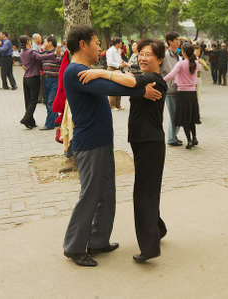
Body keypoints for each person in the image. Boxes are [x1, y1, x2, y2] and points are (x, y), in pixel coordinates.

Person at [61, 25, 162, 267]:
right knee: (90, 195)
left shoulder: (87, 69)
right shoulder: (76, 71)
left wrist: (109, 75)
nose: (100, 47)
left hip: (102, 142)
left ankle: (98, 240)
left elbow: (112, 83)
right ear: (83, 44)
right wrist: (141, 90)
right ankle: (74, 247)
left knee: (106, 194)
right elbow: (113, 88)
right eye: (96, 42)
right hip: (90, 143)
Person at [18, 35, 60, 129]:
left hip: (28, 78)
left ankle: (34, 122)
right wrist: (54, 54)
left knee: (30, 100)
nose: (42, 42)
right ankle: (27, 119)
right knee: (35, 100)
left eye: (44, 41)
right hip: (35, 78)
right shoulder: (32, 52)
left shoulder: (22, 52)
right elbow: (41, 57)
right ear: (28, 41)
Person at [164, 43, 201, 149]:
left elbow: (171, 75)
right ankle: (194, 138)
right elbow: (198, 72)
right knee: (192, 117)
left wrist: (160, 81)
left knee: (185, 118)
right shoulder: (196, 63)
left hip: (182, 94)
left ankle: (189, 141)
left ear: (184, 52)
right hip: (193, 94)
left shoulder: (181, 64)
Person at [161, 31, 183, 146]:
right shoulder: (166, 56)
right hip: (170, 90)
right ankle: (171, 138)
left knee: (178, 114)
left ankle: (173, 136)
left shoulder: (178, 56)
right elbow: (167, 73)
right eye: (177, 40)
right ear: (170, 42)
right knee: (174, 115)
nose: (179, 42)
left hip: (179, 88)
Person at [40, 35, 62, 130]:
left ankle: (49, 124)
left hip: (55, 80)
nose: (43, 43)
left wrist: (58, 53)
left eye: (44, 41)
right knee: (48, 101)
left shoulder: (57, 53)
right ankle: (56, 120)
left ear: (50, 43)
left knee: (51, 102)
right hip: (46, 79)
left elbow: (59, 61)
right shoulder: (44, 53)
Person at [106, 38, 129, 110]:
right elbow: (109, 62)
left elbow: (119, 60)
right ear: (117, 43)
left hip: (118, 69)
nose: (122, 44)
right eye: (121, 43)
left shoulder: (118, 50)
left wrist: (124, 63)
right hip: (112, 69)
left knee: (119, 87)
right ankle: (112, 106)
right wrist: (119, 65)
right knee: (112, 87)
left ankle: (118, 105)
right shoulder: (110, 51)